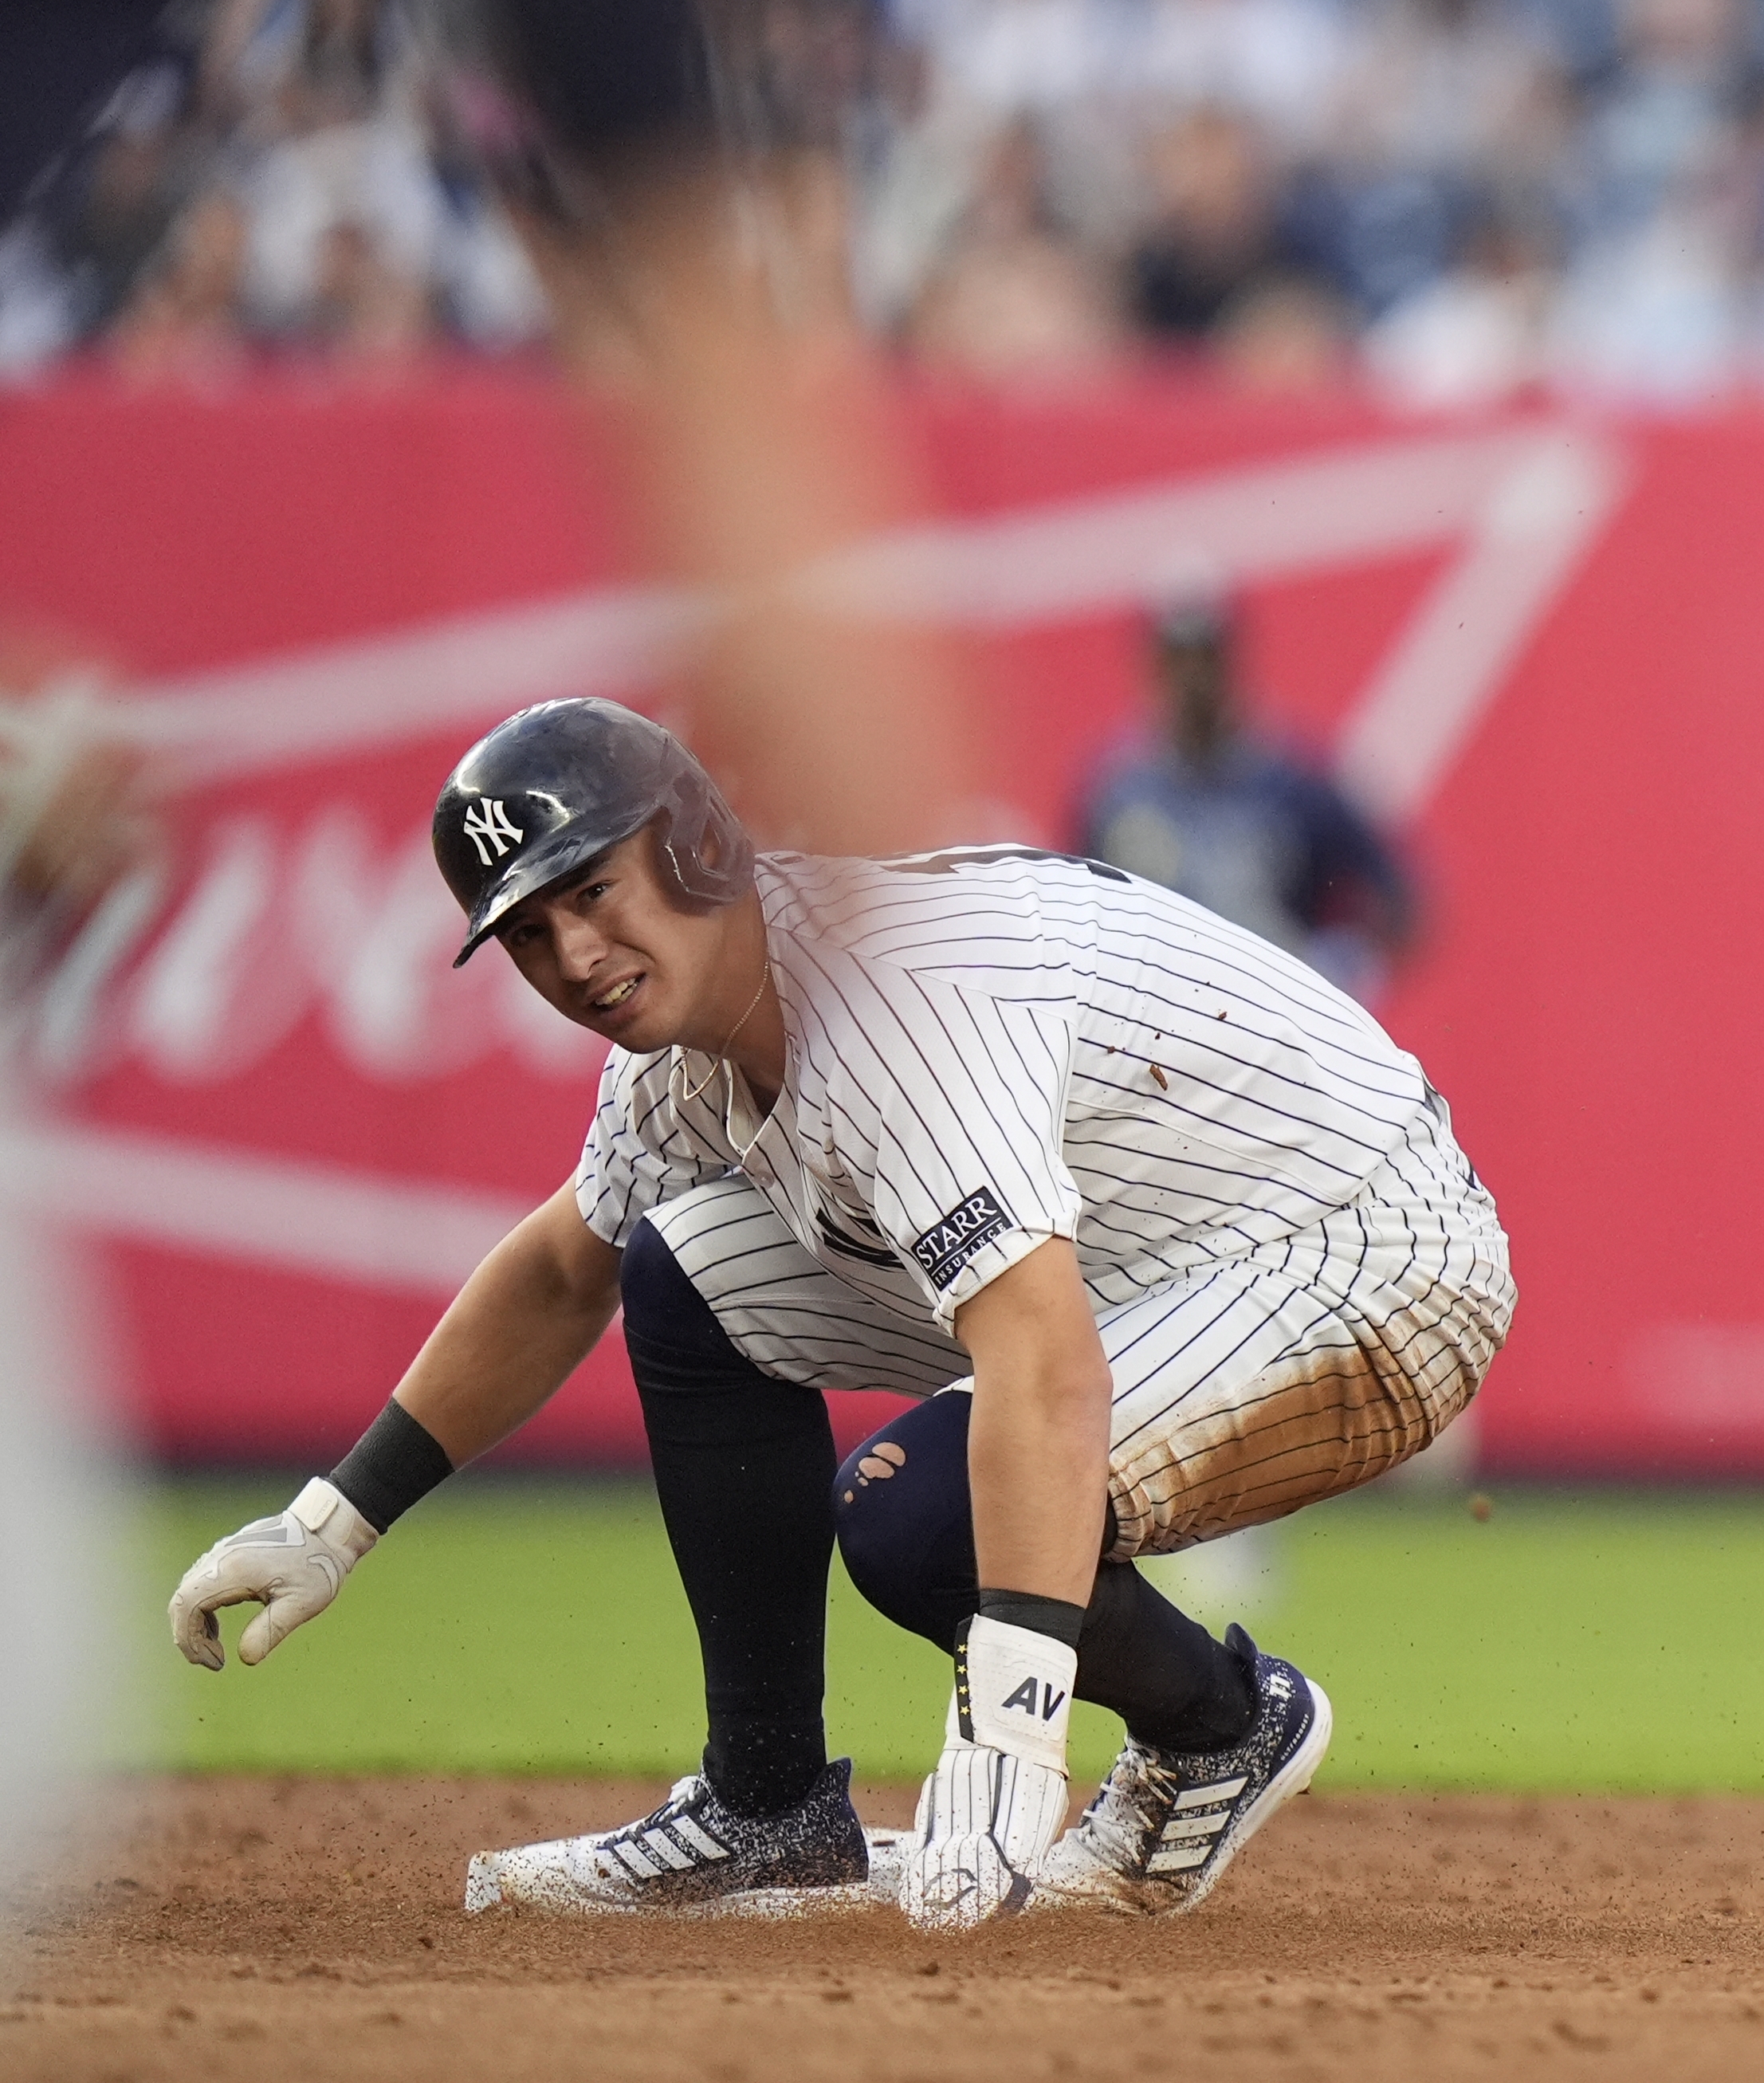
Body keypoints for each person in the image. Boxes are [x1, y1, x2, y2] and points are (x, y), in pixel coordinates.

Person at [163, 700, 1512, 1927]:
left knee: (922, 1516)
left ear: (693, 845)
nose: (572, 953)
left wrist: (1009, 1744)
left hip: (1360, 1254)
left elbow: (1041, 1364)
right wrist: (332, 1523)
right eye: (526, 931)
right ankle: (765, 1810)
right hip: (1144, 1252)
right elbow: (560, 1269)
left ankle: (1219, 1732)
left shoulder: (892, 1002)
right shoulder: (688, 1059)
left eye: (589, 889)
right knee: (677, 1270)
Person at [1078, 597, 1420, 1003]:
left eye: (1206, 658)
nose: (1193, 680)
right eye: (1178, 660)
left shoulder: (1295, 780)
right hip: (1162, 1031)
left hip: (1278, 1026)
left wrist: (1343, 963)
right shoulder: (1116, 796)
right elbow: (1081, 920)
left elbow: (1397, 896)